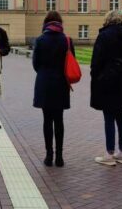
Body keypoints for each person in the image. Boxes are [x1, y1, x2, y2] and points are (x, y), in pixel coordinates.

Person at [90, 10, 122, 166]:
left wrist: (96, 76)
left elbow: (96, 60)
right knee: (120, 116)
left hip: (107, 80)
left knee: (108, 116)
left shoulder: (104, 36)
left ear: (107, 20)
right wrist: (121, 69)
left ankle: (109, 153)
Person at [32, 11, 73, 167]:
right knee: (59, 120)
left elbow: (35, 64)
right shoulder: (67, 40)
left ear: (46, 23)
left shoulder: (41, 39)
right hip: (61, 83)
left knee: (47, 120)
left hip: (44, 82)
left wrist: (44, 72)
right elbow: (71, 62)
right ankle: (60, 157)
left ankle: (49, 156)